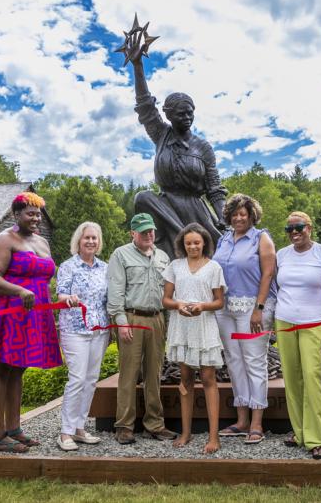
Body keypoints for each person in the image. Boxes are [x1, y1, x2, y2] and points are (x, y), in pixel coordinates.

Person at [0, 191, 62, 453]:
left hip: (32, 314)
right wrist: (19, 290)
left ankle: (14, 428)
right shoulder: (4, 239)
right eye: (30, 213)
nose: (36, 218)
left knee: (18, 369)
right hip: (7, 311)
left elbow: (46, 274)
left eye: (38, 213)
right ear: (16, 215)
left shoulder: (41, 242)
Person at [128, 41, 228, 258]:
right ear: (169, 115)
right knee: (142, 198)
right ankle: (180, 241)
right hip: (166, 207)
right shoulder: (161, 134)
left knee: (224, 250)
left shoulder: (203, 147)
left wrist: (224, 217)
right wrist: (137, 66)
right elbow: (145, 106)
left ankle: (190, 241)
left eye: (190, 112)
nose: (187, 117)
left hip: (195, 209)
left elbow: (214, 188)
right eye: (182, 114)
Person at [106, 213, 178, 445]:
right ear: (133, 233)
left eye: (151, 230)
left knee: (154, 374)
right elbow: (115, 290)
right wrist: (120, 320)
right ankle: (124, 426)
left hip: (157, 318)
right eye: (143, 231)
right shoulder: (121, 254)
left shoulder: (163, 257)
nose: (149, 234)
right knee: (128, 373)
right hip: (132, 317)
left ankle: (154, 424)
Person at [274, 211, 321, 460]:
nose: (294, 232)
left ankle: (319, 438)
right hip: (285, 321)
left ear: (309, 227)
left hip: (316, 324)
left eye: (299, 227)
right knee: (292, 379)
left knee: (314, 379)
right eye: (289, 229)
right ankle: (299, 432)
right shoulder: (281, 255)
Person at [213, 194, 276, 445]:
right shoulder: (223, 239)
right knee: (234, 362)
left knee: (254, 362)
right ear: (228, 216)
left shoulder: (262, 238)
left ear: (252, 215)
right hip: (225, 309)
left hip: (252, 307)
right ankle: (241, 421)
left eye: (244, 213)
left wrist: (259, 308)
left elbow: (268, 274)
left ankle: (257, 423)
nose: (239, 217)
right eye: (235, 213)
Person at [162, 223, 227, 454]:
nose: (192, 246)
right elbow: (166, 300)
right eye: (188, 243)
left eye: (196, 242)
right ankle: (186, 432)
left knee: (209, 379)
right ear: (183, 244)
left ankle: (213, 436)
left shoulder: (213, 267)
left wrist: (203, 306)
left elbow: (220, 301)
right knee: (186, 380)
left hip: (204, 325)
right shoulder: (175, 266)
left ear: (204, 243)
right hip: (182, 327)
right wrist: (179, 304)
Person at [55, 222, 112, 452]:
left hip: (100, 329)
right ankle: (65, 432)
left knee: (90, 380)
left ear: (99, 243)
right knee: (77, 379)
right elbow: (60, 294)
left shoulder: (105, 268)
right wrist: (67, 298)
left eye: (94, 238)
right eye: (86, 238)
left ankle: (79, 427)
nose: (90, 242)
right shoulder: (68, 267)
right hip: (75, 329)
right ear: (78, 241)